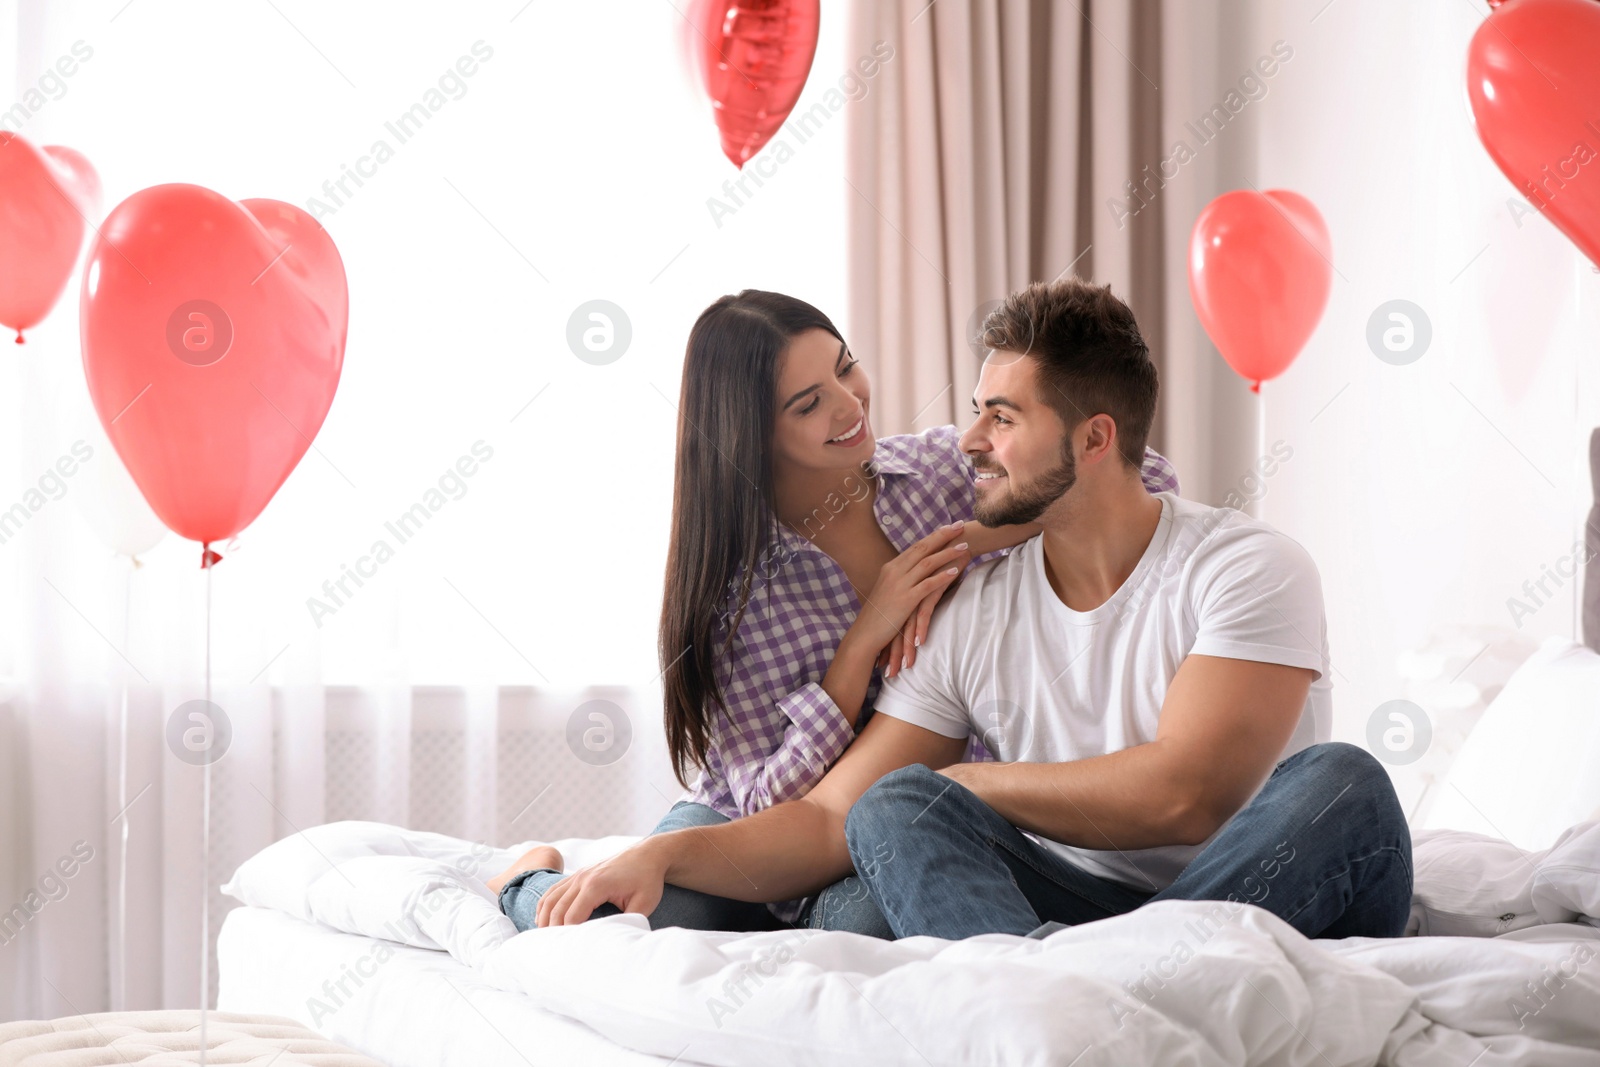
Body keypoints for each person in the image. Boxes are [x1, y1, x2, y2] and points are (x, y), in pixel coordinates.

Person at [528, 277, 1413, 942]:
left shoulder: (1248, 564)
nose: (966, 440)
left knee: (1342, 783)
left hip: (1242, 876)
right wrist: (665, 854)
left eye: (999, 417)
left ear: (1094, 437)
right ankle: (1092, 986)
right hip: (1061, 896)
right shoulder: (953, 614)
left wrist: (964, 777)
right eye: (809, 401)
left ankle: (1091, 978)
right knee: (880, 815)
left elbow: (1186, 795)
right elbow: (833, 814)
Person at [489, 289, 1180, 936]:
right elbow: (765, 801)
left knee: (864, 924)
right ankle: (525, 878)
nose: (851, 405)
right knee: (612, 925)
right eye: (810, 403)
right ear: (752, 432)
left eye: (847, 368)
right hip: (755, 834)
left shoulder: (940, 475)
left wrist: (963, 540)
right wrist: (860, 644)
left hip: (898, 824)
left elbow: (1138, 476)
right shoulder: (735, 593)